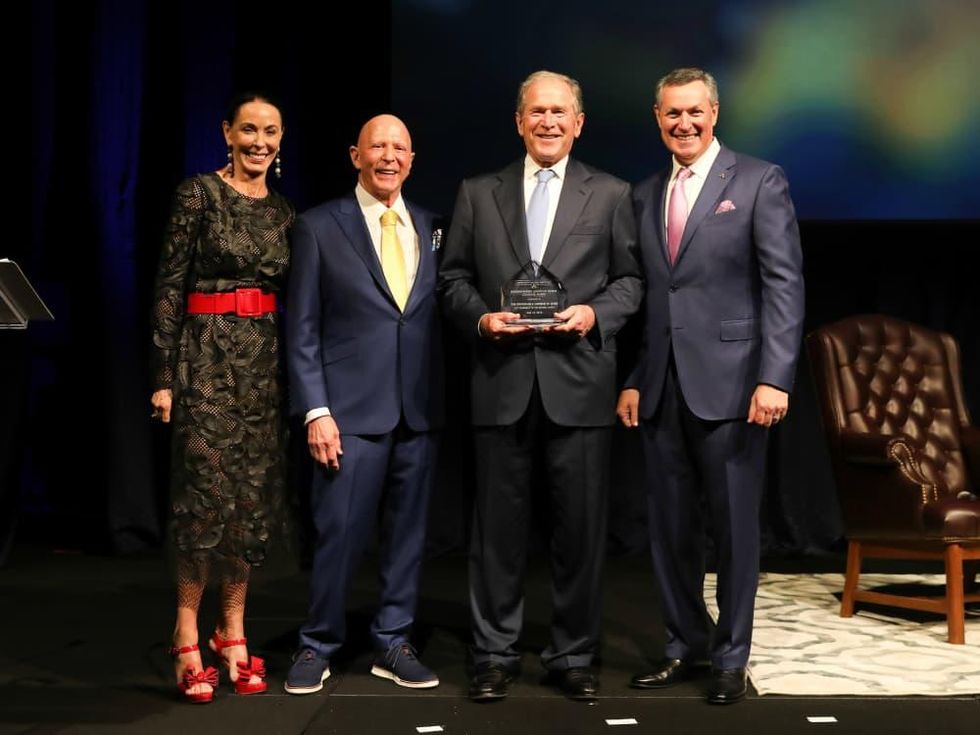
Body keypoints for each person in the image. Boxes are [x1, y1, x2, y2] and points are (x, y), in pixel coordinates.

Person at [439, 70, 643, 702]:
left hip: (578, 384)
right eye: (537, 111)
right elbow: (452, 279)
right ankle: (493, 653)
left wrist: (593, 316)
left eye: (560, 112)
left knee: (579, 532)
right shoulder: (478, 192)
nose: (549, 121)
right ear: (519, 121)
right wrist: (480, 316)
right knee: (496, 533)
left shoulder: (611, 193)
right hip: (500, 382)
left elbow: (630, 282)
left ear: (578, 123)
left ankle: (574, 654)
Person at [617, 67, 805, 705]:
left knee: (733, 529)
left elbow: (784, 285)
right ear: (658, 117)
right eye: (672, 114)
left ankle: (731, 655)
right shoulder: (644, 195)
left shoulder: (758, 180)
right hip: (664, 389)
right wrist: (639, 380)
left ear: (715, 112)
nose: (684, 124)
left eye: (694, 112)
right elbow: (653, 300)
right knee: (669, 529)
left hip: (735, 387)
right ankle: (682, 646)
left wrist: (774, 377)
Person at [283, 114, 444, 695]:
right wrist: (316, 411)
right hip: (348, 415)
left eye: (399, 147)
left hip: (418, 412)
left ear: (411, 157)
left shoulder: (431, 226)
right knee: (340, 534)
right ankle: (317, 642)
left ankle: (392, 641)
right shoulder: (319, 226)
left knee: (407, 537)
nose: (389, 156)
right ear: (356, 155)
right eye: (378, 146)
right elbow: (300, 330)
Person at [150, 93, 292, 703]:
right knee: (203, 501)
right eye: (249, 130)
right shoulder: (197, 195)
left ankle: (232, 630)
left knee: (249, 506)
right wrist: (162, 376)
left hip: (262, 364)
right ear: (228, 133)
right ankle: (186, 630)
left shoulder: (286, 212)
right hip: (203, 359)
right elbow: (167, 287)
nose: (260, 142)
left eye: (271, 132)